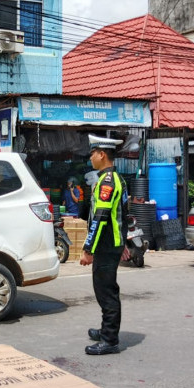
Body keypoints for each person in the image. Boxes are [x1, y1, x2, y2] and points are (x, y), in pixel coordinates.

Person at [80, 135, 129, 355]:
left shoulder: (107, 181)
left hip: (106, 244)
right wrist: (124, 242)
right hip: (112, 243)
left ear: (101, 155)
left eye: (92, 153)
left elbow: (101, 218)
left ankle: (110, 340)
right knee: (104, 289)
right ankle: (105, 330)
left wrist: (88, 249)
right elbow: (123, 215)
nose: (90, 157)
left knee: (106, 291)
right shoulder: (115, 178)